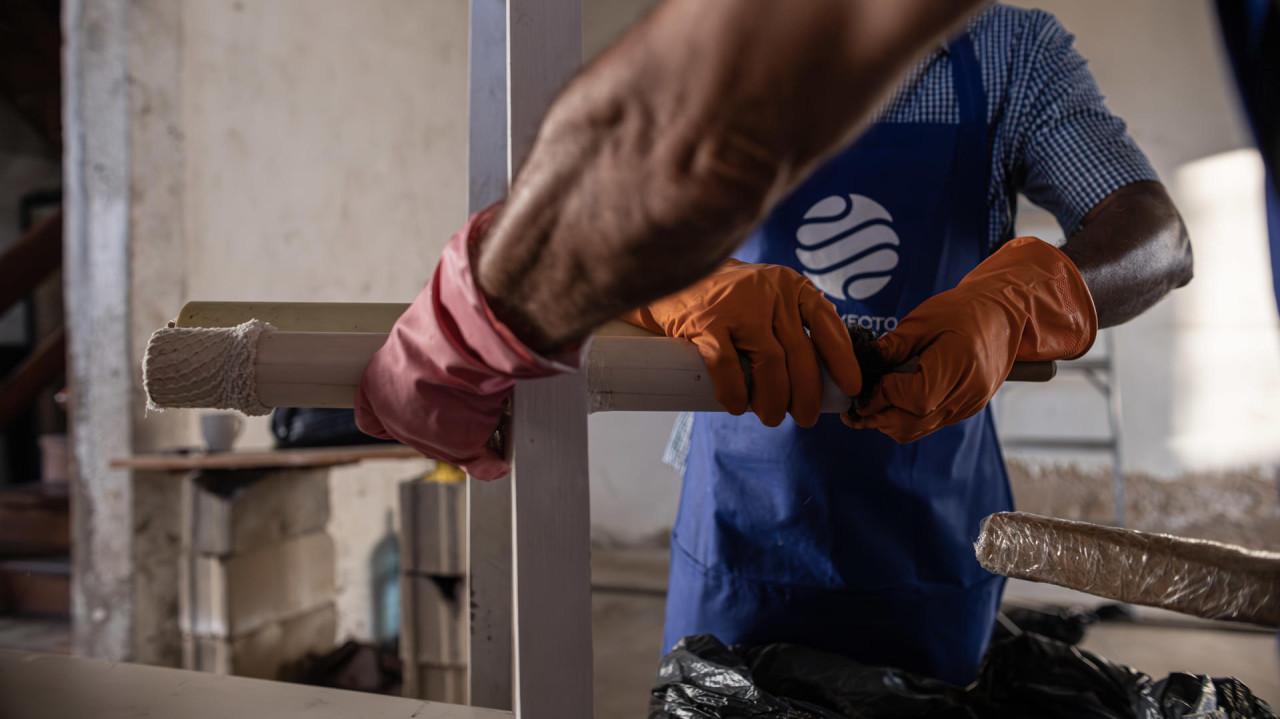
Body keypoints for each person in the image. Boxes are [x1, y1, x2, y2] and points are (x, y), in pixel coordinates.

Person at [354, 0, 1190, 685]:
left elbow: (1153, 235)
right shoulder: (741, 37)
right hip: (740, 530)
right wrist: (683, 286)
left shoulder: (1012, 53)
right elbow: (633, 174)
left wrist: (1020, 301)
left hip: (933, 535)